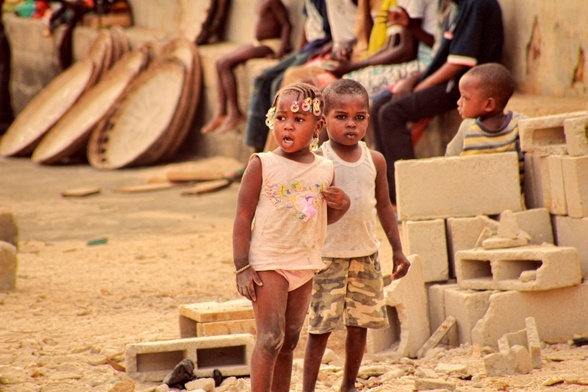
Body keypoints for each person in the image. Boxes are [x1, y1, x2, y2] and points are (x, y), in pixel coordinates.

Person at [233, 83, 351, 392]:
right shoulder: (262, 164)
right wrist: (242, 266)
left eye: (299, 120)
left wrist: (342, 205)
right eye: (282, 117)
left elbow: (325, 217)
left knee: (288, 341)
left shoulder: (325, 169)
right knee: (270, 338)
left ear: (318, 126)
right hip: (269, 262)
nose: (288, 125)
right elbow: (243, 217)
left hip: (305, 264)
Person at [303, 79, 410, 392]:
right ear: (323, 120)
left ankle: (348, 384)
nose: (351, 124)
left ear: (368, 118)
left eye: (359, 117)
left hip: (366, 255)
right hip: (327, 257)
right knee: (320, 328)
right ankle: (307, 387)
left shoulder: (374, 160)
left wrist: (398, 250)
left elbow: (385, 208)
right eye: (341, 117)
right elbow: (304, 211)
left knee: (360, 324)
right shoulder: (319, 161)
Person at [370, 0, 505, 205]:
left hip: (463, 87)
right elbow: (441, 57)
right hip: (445, 81)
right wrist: (414, 80)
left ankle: (409, 194)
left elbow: (458, 63)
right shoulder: (455, 8)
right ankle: (390, 191)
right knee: (379, 105)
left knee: (391, 113)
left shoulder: (475, 4)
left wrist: (417, 89)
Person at [243, 0, 332, 154]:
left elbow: (337, 36)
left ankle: (279, 148)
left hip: (320, 50)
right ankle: (258, 149)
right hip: (306, 50)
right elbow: (307, 26)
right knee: (262, 78)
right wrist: (297, 53)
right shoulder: (308, 3)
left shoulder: (330, 4)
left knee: (280, 84)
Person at [201, 0, 292, 134]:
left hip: (270, 45)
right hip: (259, 43)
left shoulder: (274, 2)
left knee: (226, 64)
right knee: (219, 62)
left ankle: (235, 112)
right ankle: (221, 112)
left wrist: (280, 52)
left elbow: (287, 26)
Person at [445, 63, 525, 180]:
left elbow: (448, 163)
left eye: (464, 98)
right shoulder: (519, 124)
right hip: (512, 197)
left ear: (488, 104)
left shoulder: (468, 128)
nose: (458, 102)